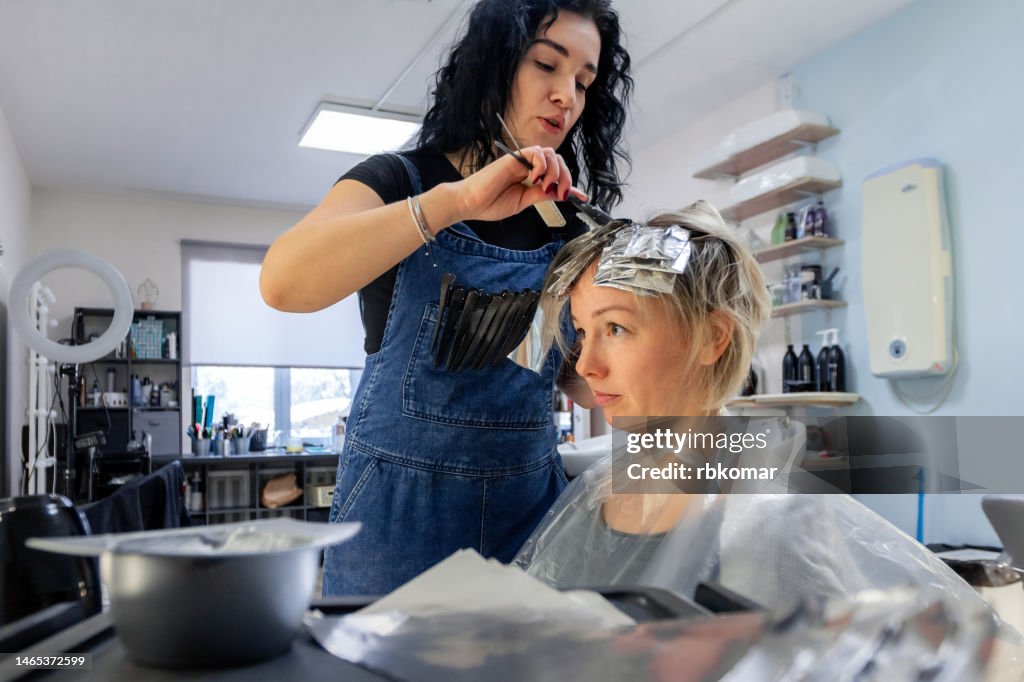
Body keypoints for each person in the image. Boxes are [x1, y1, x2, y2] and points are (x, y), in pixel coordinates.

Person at [260, 0, 633, 596]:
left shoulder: (569, 223)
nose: (566, 95)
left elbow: (578, 379)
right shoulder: (396, 181)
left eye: (583, 82)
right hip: (396, 520)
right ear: (494, 63)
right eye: (546, 64)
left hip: (528, 514)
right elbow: (283, 283)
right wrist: (456, 202)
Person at [514, 201, 987, 616]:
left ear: (711, 337)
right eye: (583, 332)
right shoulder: (597, 489)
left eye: (616, 328)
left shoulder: (768, 515)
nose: (587, 364)